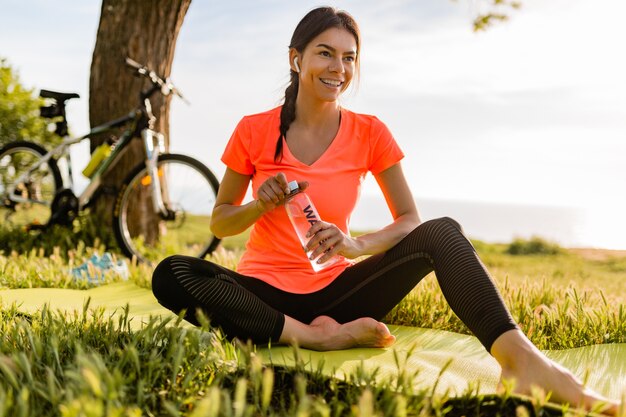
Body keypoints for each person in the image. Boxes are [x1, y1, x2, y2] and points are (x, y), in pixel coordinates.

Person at [152, 6, 619, 414]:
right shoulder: (253, 130)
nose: (339, 67)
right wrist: (259, 204)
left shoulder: (370, 132)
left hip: (338, 292)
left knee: (443, 231)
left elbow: (410, 220)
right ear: (296, 59)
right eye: (324, 52)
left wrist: (357, 245)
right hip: (263, 295)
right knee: (172, 272)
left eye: (349, 56)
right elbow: (220, 219)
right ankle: (317, 337)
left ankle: (521, 360)